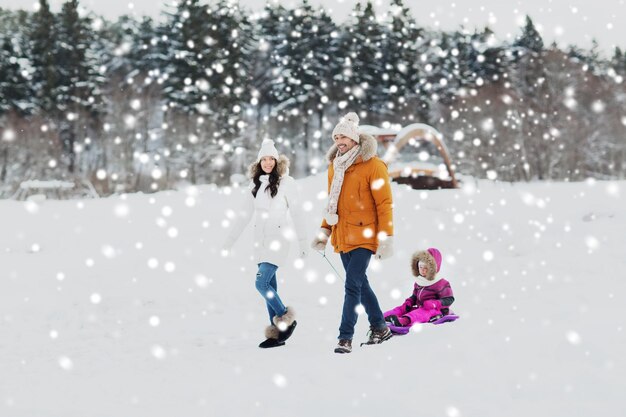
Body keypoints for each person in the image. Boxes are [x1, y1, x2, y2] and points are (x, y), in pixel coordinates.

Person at [311, 112, 394, 354]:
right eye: (336, 137)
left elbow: (384, 204)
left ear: (355, 138)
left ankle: (344, 337)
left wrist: (386, 236)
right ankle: (380, 326)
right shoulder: (334, 167)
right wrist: (324, 232)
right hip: (342, 236)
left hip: (365, 236)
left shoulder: (374, 166)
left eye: (343, 136)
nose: (339, 140)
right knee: (360, 284)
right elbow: (331, 203)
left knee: (351, 286)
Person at [223, 139, 308, 349]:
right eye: (264, 159)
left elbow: (297, 213)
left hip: (278, 240)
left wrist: (303, 241)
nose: (268, 163)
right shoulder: (256, 185)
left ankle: (286, 318)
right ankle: (276, 335)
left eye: (272, 159)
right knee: (270, 286)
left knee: (261, 284)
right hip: (259, 243)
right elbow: (244, 215)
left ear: (277, 161)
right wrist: (229, 241)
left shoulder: (287, 183)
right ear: (259, 161)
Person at [383, 247, 455, 327]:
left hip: (436, 310)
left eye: (426, 268)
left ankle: (404, 321)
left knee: (421, 313)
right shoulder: (420, 281)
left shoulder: (441, 283)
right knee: (403, 308)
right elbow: (415, 295)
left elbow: (449, 299)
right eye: (420, 267)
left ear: (433, 268)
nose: (422, 270)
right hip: (420, 306)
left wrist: (435, 303)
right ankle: (384, 317)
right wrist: (410, 301)